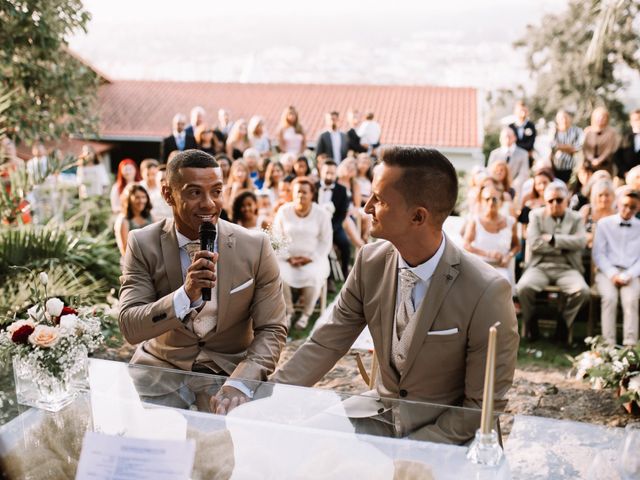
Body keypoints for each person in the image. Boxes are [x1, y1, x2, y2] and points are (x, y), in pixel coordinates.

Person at [272, 146, 519, 445]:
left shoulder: (487, 291)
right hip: (377, 415)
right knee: (301, 445)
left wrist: (407, 453)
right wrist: (271, 396)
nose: (366, 207)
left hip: (450, 436)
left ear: (418, 216)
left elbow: (480, 408)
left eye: (379, 199)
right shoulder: (369, 262)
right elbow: (326, 342)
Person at [118, 149, 287, 413]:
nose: (209, 203)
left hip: (229, 374)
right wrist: (185, 295)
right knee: (160, 450)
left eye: (217, 191)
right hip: (161, 373)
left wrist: (241, 383)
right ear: (167, 195)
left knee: (217, 450)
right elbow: (130, 326)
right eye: (194, 192)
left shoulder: (256, 247)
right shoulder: (142, 243)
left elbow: (272, 329)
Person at [516, 183, 590, 341]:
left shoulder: (576, 217)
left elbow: (581, 242)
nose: (555, 204)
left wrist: (553, 239)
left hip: (567, 267)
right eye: (551, 200)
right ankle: (531, 320)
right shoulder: (536, 215)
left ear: (567, 200)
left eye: (559, 200)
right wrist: (565, 246)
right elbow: (534, 243)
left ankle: (564, 322)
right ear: (545, 200)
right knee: (523, 287)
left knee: (583, 291)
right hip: (540, 266)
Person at [273, 177, 333, 330]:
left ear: (312, 194)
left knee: (314, 276)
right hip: (287, 259)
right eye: (298, 191)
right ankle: (289, 312)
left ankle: (306, 315)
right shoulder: (284, 211)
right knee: (277, 274)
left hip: (313, 259)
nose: (301, 195)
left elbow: (325, 241)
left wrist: (309, 258)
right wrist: (288, 257)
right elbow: (277, 237)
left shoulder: (321, 214)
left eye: (305, 192)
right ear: (292, 193)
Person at [592, 188, 640, 346]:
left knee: (631, 299)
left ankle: (630, 345)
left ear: (637, 208)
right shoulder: (604, 224)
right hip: (606, 272)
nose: (627, 210)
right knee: (609, 298)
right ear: (618, 203)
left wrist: (628, 275)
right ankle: (609, 345)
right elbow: (599, 254)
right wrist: (613, 274)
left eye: (632, 207)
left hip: (632, 273)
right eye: (625, 205)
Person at [464, 183, 519, 288]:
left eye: (494, 199)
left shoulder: (510, 222)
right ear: (481, 201)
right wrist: (487, 253)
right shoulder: (475, 220)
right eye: (487, 199)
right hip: (479, 265)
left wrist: (509, 256)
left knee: (502, 284)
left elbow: (516, 246)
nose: (490, 202)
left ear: (501, 201)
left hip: (500, 266)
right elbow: (466, 244)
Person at [315, 160, 351, 280]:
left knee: (345, 244)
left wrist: (331, 228)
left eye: (332, 172)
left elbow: (342, 214)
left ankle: (345, 270)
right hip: (315, 226)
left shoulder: (342, 190)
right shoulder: (313, 187)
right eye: (327, 172)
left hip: (334, 226)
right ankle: (327, 277)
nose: (329, 175)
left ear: (336, 174)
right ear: (321, 172)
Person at [487, 127, 530, 199]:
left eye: (509, 136)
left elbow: (524, 174)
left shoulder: (523, 154)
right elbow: (490, 172)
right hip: (496, 190)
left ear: (515, 138)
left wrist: (511, 186)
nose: (507, 139)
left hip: (516, 190)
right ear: (500, 139)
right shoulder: (494, 154)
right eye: (504, 137)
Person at [114, 183, 154, 256]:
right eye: (137, 197)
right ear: (129, 199)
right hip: (133, 262)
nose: (141, 201)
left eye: (143, 197)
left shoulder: (150, 216)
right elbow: (125, 251)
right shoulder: (123, 220)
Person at [579, 179, 616, 249]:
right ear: (594, 196)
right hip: (586, 251)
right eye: (600, 195)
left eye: (607, 195)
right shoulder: (587, 210)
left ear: (612, 196)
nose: (604, 199)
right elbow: (576, 232)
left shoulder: (617, 213)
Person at [550, 110, 583, 183]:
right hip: (555, 168)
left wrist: (559, 147)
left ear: (570, 118)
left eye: (566, 117)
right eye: (561, 118)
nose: (564, 120)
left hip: (572, 168)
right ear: (557, 120)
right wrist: (569, 148)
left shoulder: (578, 131)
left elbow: (578, 147)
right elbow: (552, 145)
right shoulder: (553, 131)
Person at [583, 107, 619, 174]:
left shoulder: (611, 132)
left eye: (603, 117)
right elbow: (585, 148)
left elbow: (610, 149)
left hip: (605, 166)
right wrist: (591, 159)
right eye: (598, 117)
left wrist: (599, 160)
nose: (600, 119)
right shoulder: (588, 131)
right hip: (589, 166)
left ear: (607, 118)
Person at [615, 109, 640, 182]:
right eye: (636, 120)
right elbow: (617, 157)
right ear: (631, 122)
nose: (639, 122)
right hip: (626, 176)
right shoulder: (624, 137)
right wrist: (625, 172)